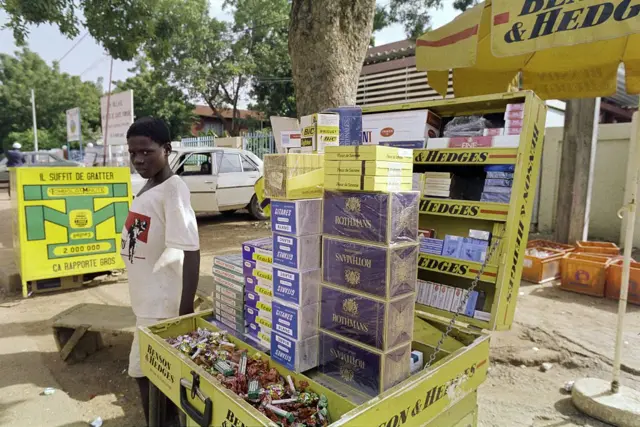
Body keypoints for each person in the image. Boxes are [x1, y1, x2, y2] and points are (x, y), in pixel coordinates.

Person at [121, 117, 200, 425]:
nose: (139, 159)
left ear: (166, 150)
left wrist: (185, 311)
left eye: (146, 152)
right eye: (133, 153)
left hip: (162, 310)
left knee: (144, 375)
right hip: (147, 303)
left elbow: (191, 250)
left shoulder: (173, 190)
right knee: (153, 378)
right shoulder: (150, 186)